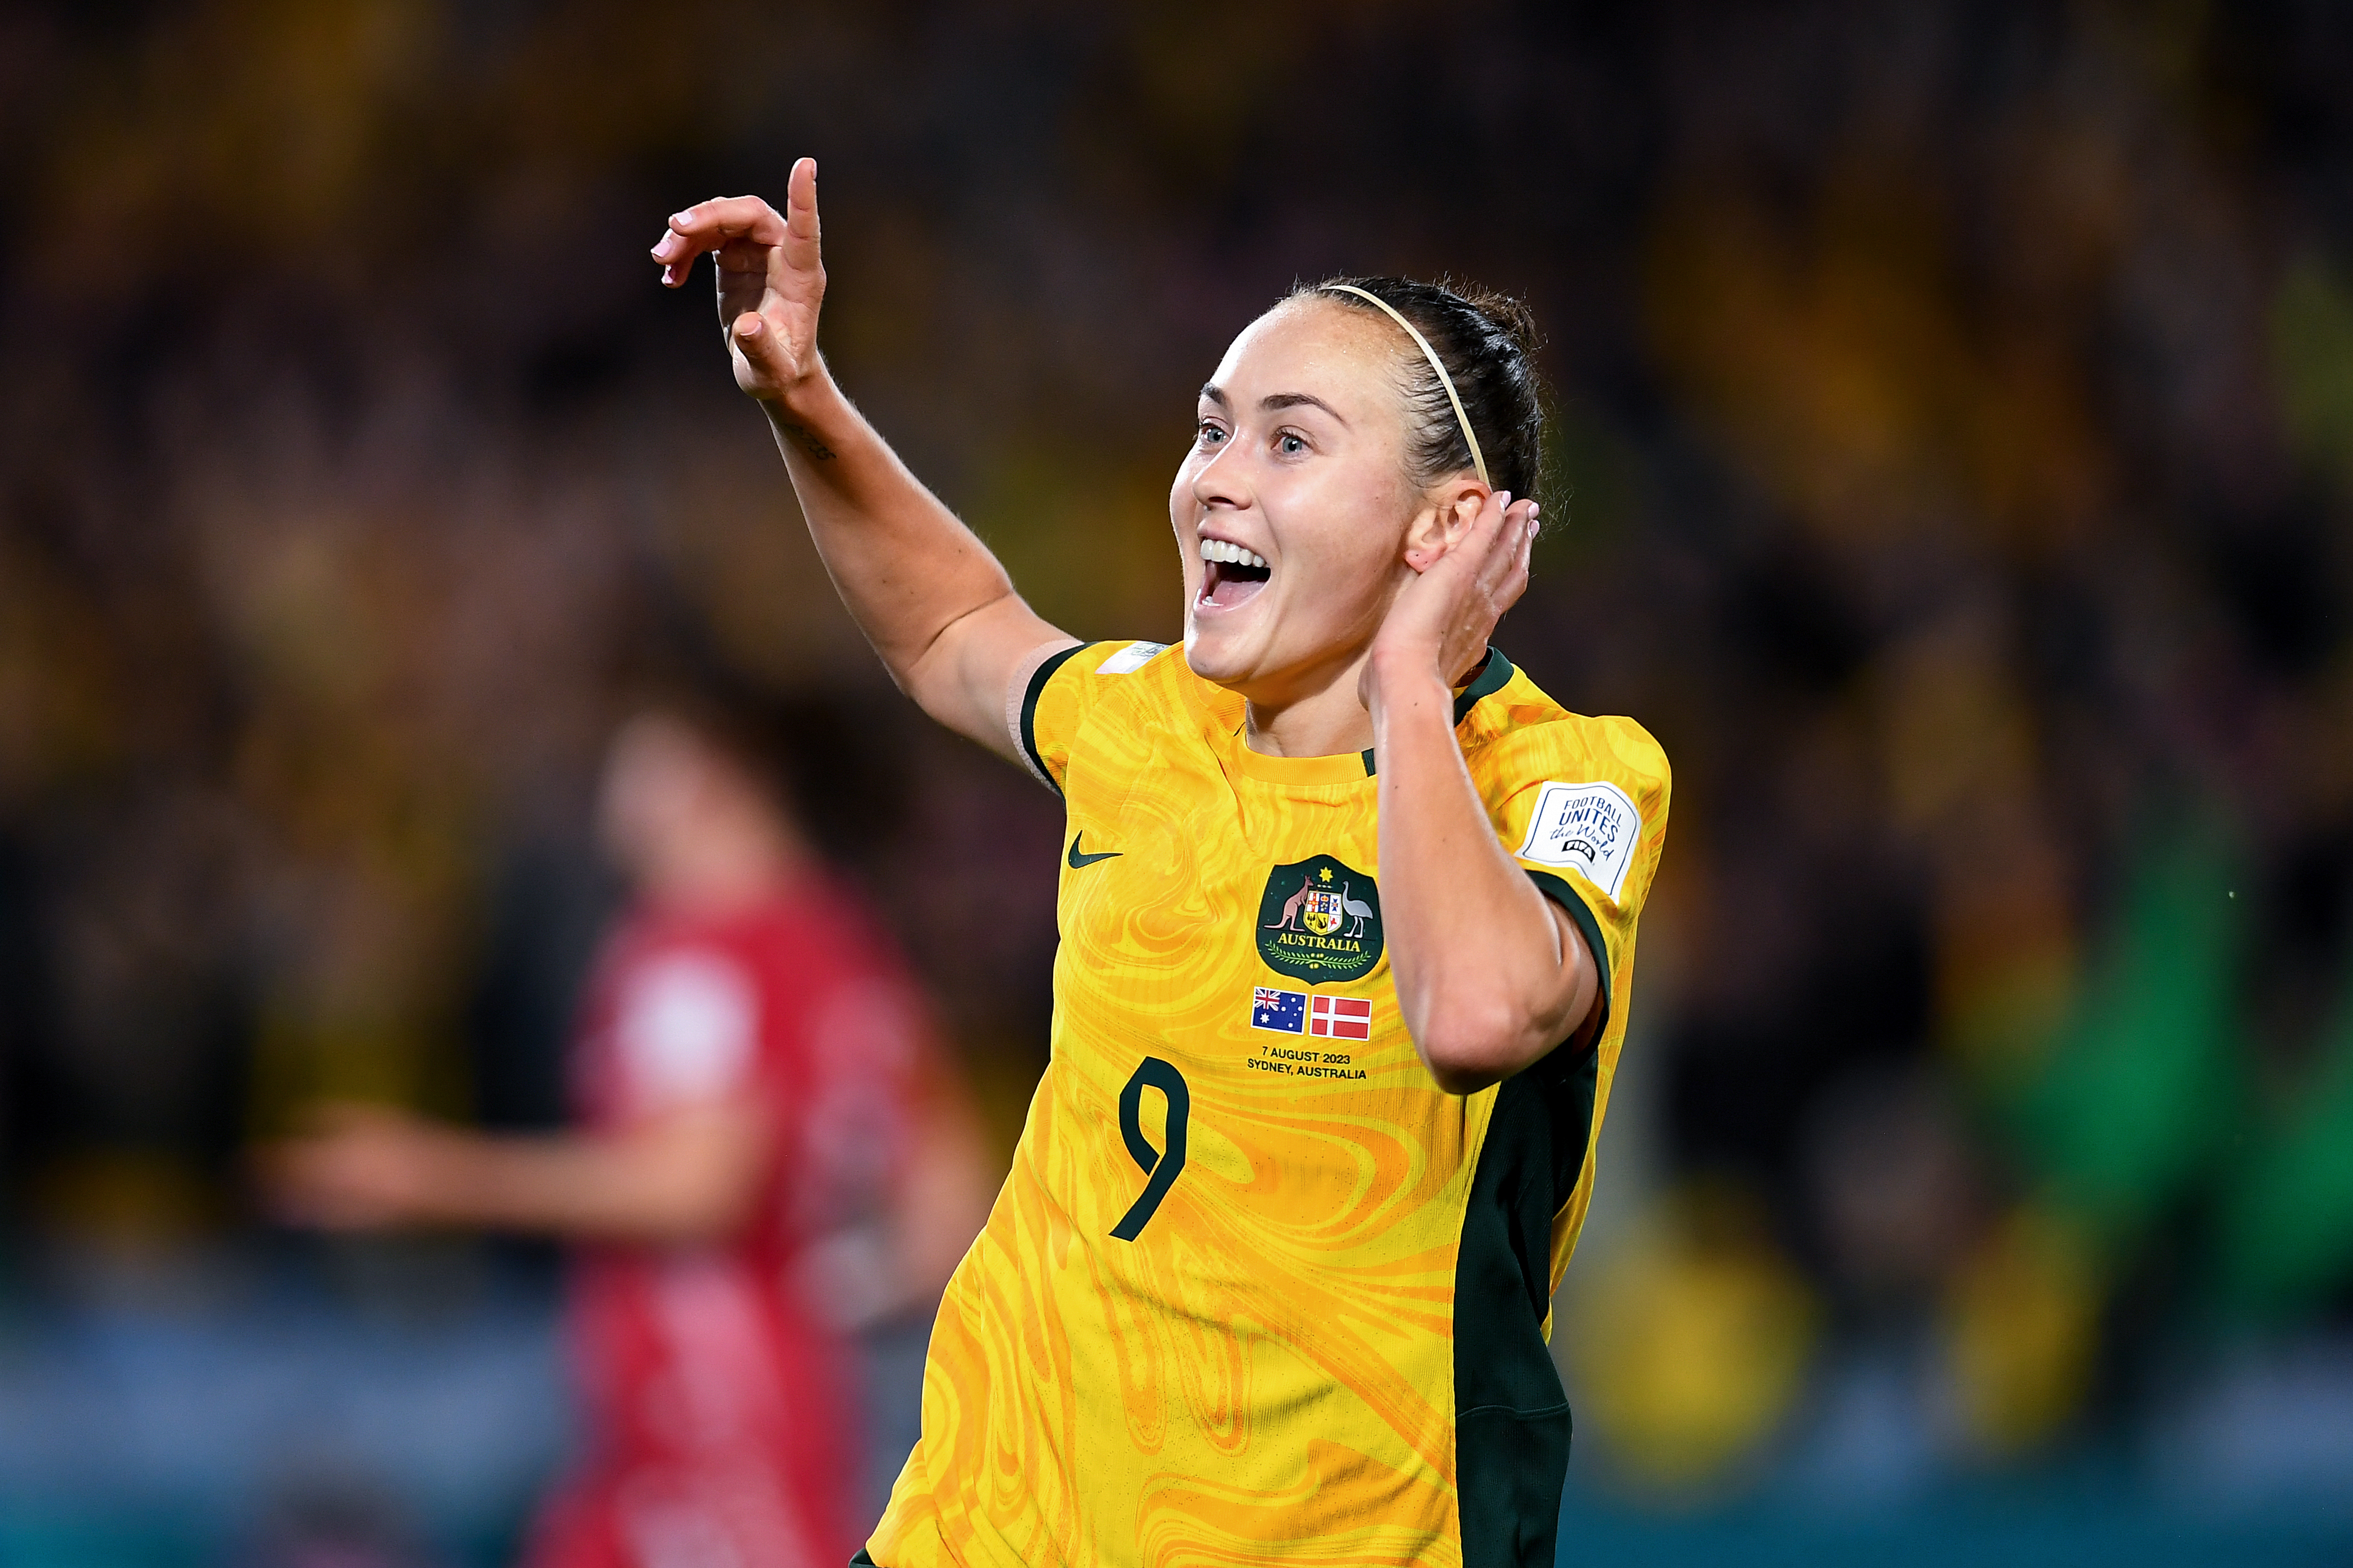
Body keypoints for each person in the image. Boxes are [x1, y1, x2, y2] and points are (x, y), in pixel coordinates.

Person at [649, 158, 1671, 1567]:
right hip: (993, 1526)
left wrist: (1412, 694)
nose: (1214, 485)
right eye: (1212, 431)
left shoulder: (1567, 776)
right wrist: (801, 395)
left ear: (1445, 528)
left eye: (1290, 442)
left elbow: (1479, 1014)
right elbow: (954, 633)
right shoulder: (1147, 720)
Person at [267, 690, 993, 1568]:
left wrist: (430, 1176)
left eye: (643, 758)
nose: (618, 789)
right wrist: (815, 1290)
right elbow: (951, 1215)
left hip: (697, 1411)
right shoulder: (850, 954)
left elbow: (698, 1183)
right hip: (764, 1412)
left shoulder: (691, 952)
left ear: (718, 774)